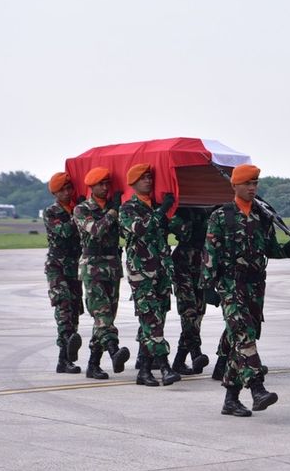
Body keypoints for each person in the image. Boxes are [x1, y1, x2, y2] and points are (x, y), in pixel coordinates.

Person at [201, 164, 290, 417]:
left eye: (255, 183)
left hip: (255, 285)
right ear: (234, 186)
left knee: (243, 340)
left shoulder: (262, 215)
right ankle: (257, 388)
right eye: (247, 183)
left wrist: (288, 248)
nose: (251, 188)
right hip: (230, 285)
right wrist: (207, 286)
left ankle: (230, 399)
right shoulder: (222, 216)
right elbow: (210, 251)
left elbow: (269, 249)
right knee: (243, 334)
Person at [119, 164, 180, 387]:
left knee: (155, 320)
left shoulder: (157, 207)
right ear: (133, 183)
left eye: (150, 177)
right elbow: (140, 229)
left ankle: (144, 371)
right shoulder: (128, 209)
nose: (148, 181)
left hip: (161, 271)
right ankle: (164, 367)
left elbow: (174, 229)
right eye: (143, 178)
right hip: (141, 273)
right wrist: (162, 210)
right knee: (151, 319)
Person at [73, 167, 131, 379]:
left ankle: (93, 364)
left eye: (107, 184)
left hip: (113, 267)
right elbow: (96, 230)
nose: (105, 188)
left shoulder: (114, 208)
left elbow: (126, 233)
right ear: (91, 187)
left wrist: (121, 212)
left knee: (105, 317)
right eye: (101, 185)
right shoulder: (82, 209)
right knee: (103, 316)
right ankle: (115, 352)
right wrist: (112, 213)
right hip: (93, 268)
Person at [44, 172, 84, 374]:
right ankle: (66, 354)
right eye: (63, 190)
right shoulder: (51, 212)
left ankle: (64, 359)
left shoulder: (76, 208)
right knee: (64, 307)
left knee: (74, 310)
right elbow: (65, 232)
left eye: (69, 188)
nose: (67, 192)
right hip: (57, 267)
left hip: (75, 267)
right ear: (55, 193)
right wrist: (80, 213)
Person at [168, 206, 211, 374]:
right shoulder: (182, 212)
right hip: (183, 266)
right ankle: (195, 353)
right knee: (189, 313)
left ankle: (179, 361)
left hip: (200, 265)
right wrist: (190, 217)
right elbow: (179, 231)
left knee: (199, 313)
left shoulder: (214, 213)